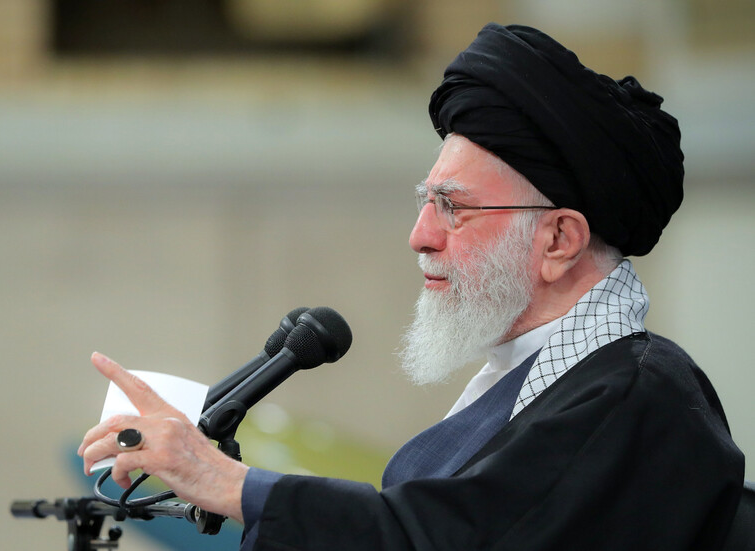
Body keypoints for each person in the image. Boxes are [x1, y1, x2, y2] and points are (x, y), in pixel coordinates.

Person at [78, 23, 745, 550]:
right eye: (427, 202)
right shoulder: (540, 378)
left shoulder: (637, 397)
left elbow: (449, 538)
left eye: (453, 207)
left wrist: (233, 485)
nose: (420, 234)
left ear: (559, 240)